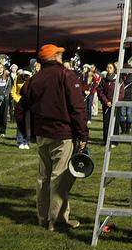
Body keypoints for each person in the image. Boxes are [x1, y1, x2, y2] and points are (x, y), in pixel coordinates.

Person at [21, 44, 87, 231]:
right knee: (59, 177)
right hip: (62, 133)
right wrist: (83, 133)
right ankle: (56, 220)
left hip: (42, 133)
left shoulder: (34, 79)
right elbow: (77, 107)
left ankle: (43, 217)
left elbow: (22, 106)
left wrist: (28, 130)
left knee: (43, 177)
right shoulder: (65, 75)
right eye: (59, 53)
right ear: (55, 56)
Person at [96, 63, 124, 145]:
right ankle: (106, 141)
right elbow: (100, 91)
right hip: (106, 105)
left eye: (110, 67)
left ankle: (115, 141)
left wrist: (114, 101)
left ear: (114, 69)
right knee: (106, 123)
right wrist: (106, 101)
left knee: (115, 123)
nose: (109, 69)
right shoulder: (103, 80)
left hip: (116, 105)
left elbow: (121, 93)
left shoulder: (119, 80)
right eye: (107, 67)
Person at [11, 69, 32, 149]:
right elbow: (13, 92)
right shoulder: (17, 78)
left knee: (28, 123)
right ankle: (20, 141)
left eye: (28, 76)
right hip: (19, 103)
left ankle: (26, 141)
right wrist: (18, 100)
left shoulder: (32, 80)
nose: (26, 77)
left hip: (29, 104)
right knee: (20, 122)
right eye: (25, 75)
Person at [0, 60, 12, 138]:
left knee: (3, 116)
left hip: (4, 99)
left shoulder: (7, 77)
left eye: (1, 67)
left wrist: (5, 95)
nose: (0, 69)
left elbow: (9, 87)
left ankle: (3, 131)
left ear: (3, 69)